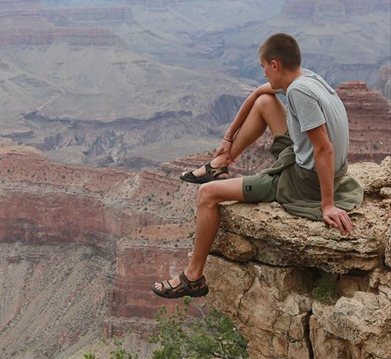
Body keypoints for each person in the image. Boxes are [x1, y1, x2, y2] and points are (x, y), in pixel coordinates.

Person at [152, 33, 364, 299]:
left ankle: (193, 277)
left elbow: (324, 148)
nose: (264, 75)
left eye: (264, 68)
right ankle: (220, 164)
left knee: (207, 194)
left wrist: (328, 204)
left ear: (275, 64)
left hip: (302, 180)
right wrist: (227, 140)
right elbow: (259, 94)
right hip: (306, 160)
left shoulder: (299, 92)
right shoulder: (307, 77)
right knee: (266, 102)